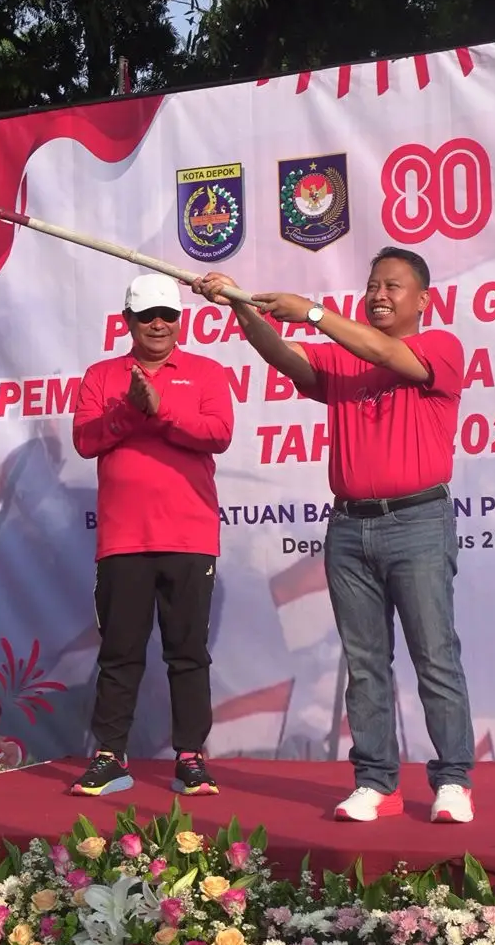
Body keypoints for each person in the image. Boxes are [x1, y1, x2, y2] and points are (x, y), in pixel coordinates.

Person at [194, 248, 476, 824]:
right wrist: (240, 306)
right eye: (373, 285)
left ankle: (453, 780)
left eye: (393, 287)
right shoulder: (344, 362)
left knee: (435, 655)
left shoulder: (438, 348)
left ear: (423, 300)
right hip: (349, 526)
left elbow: (382, 351)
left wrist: (313, 312)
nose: (379, 294)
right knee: (365, 662)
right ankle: (376, 782)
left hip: (418, 522)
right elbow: (282, 354)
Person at [68, 273, 235, 797]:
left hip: (189, 536)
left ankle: (190, 757)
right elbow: (85, 440)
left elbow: (219, 434)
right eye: (147, 316)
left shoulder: (206, 372)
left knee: (188, 653)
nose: (158, 324)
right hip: (123, 540)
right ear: (128, 322)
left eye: (167, 314)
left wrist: (160, 409)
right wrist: (127, 410)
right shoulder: (101, 375)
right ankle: (110, 756)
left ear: (180, 319)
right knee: (120, 652)